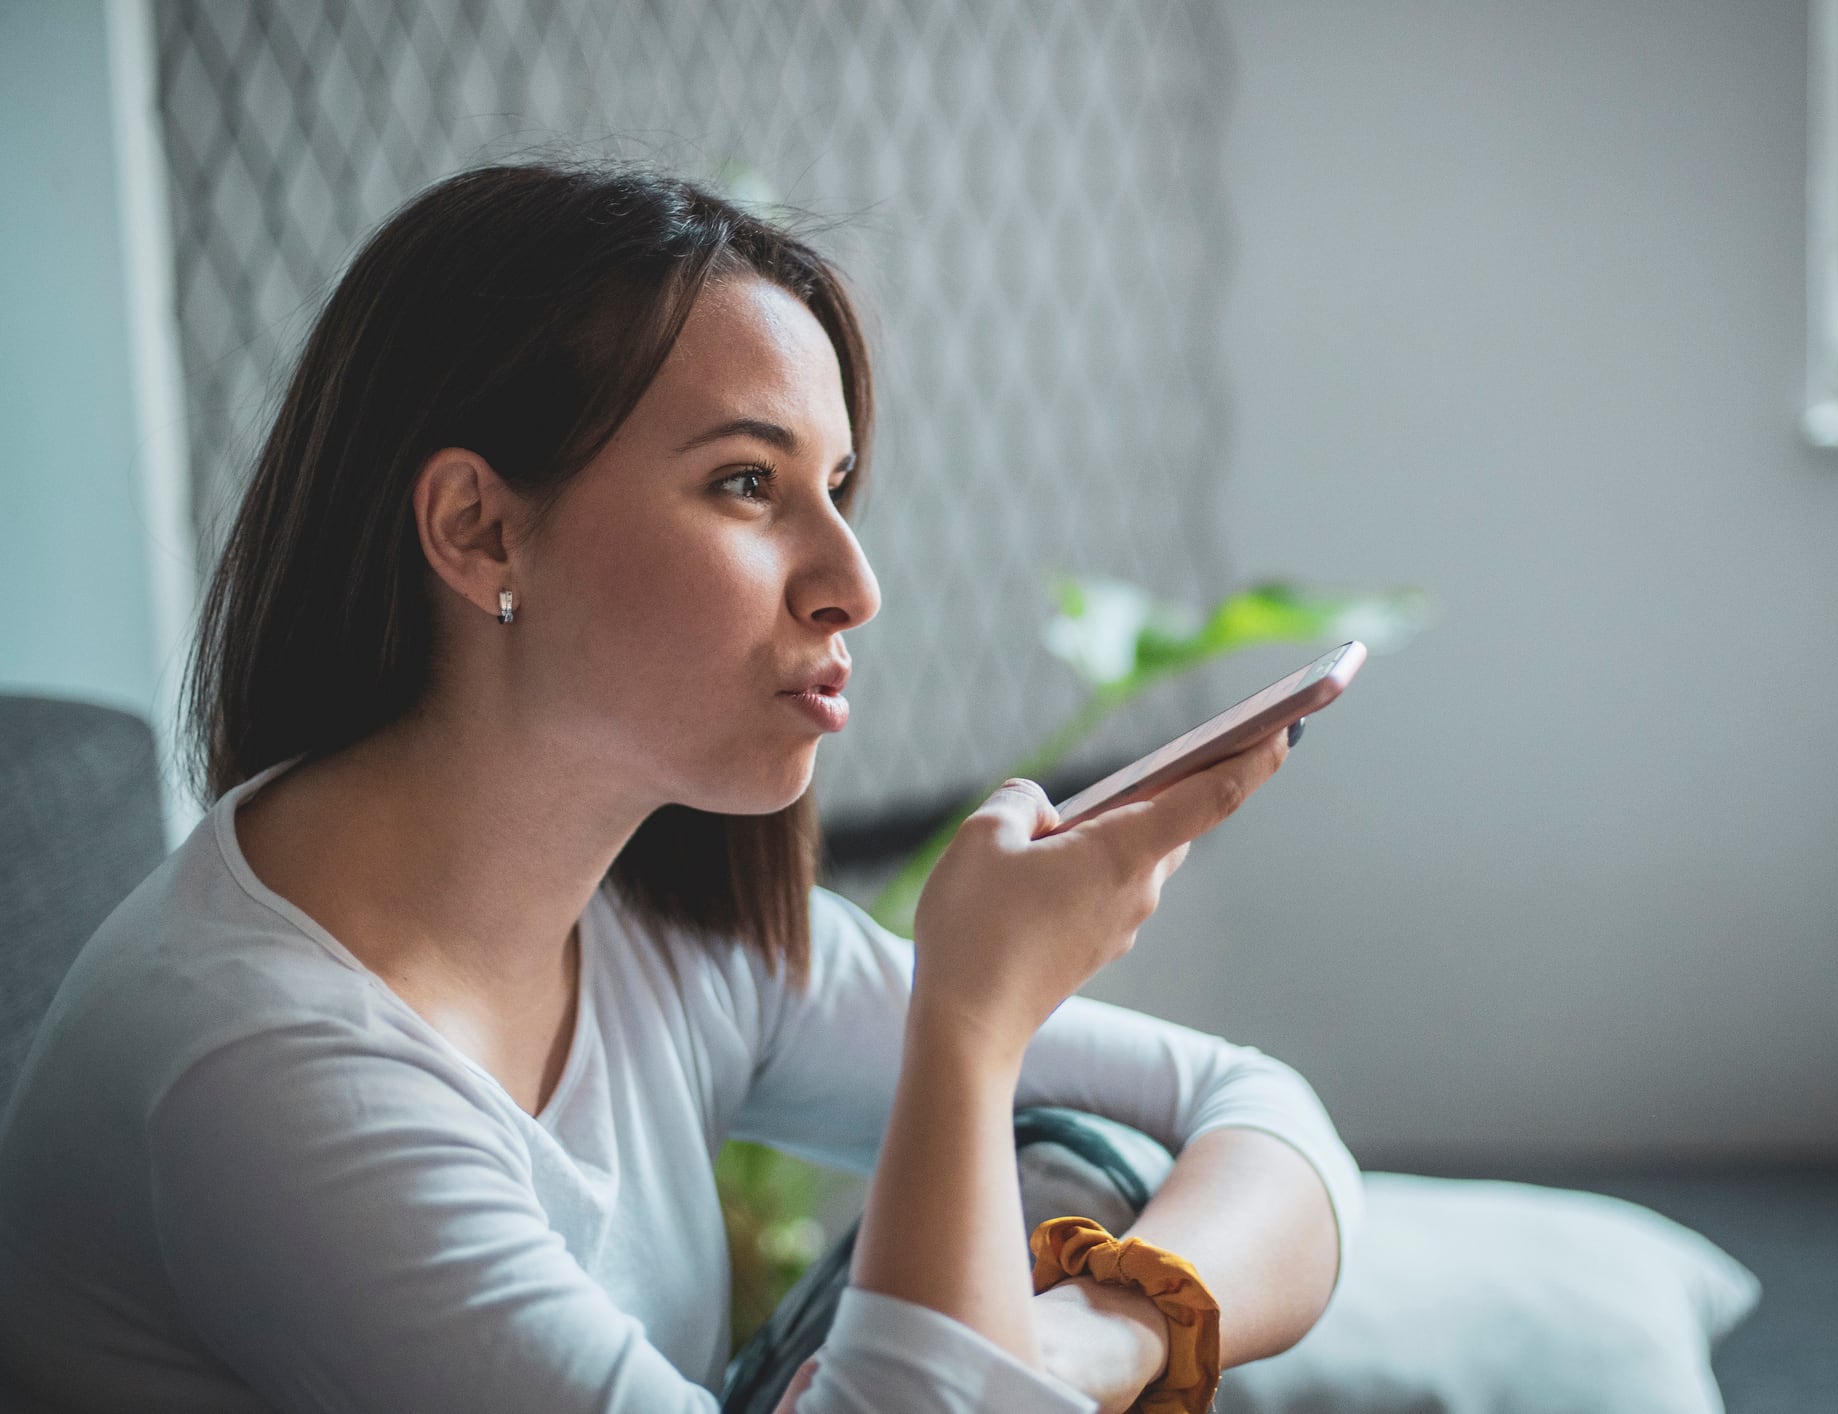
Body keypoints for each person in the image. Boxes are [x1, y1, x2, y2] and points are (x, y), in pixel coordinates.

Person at [0, 163, 1360, 1413]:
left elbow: (1260, 1110)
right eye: (746, 482)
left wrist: (1093, 1339)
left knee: (1078, 1176)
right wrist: (967, 1018)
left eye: (835, 484)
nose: (854, 582)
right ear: (478, 531)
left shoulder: (652, 922)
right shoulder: (269, 1078)